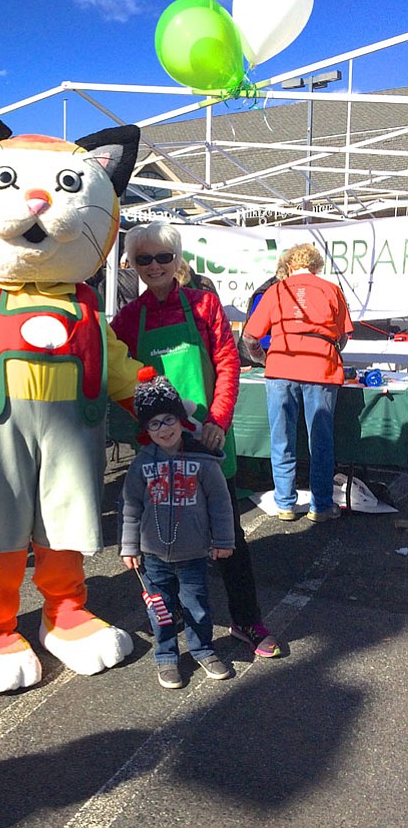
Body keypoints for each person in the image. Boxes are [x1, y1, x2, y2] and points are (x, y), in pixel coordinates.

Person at [111, 221, 281, 659]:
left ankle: (245, 620)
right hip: (156, 447)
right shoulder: (129, 319)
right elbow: (118, 377)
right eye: (144, 259)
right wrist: (147, 429)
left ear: (177, 260)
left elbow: (228, 362)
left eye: (163, 257)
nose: (154, 266)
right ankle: (173, 633)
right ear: (131, 264)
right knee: (160, 539)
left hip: (208, 439)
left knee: (230, 538)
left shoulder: (203, 306)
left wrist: (218, 420)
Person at [119, 367, 234, 689]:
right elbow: (130, 507)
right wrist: (129, 547)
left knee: (197, 607)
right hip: (152, 556)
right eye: (154, 424)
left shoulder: (203, 460)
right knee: (161, 610)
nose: (163, 428)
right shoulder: (142, 464)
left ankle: (203, 649)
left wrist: (224, 539)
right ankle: (166, 656)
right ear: (146, 429)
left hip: (194, 553)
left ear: (180, 420)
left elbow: (220, 503)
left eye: (169, 419)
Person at [243, 242, 353, 523]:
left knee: (282, 439)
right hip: (321, 368)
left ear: (289, 266)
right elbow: (343, 336)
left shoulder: (276, 290)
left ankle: (285, 504)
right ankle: (321, 506)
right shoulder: (331, 289)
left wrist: (263, 358)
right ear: (316, 266)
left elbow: (249, 337)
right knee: (321, 441)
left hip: (281, 365)